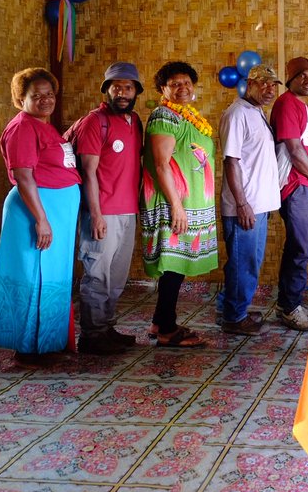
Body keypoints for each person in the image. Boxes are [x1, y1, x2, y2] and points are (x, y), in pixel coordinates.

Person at [0, 67, 81, 367]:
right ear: (20, 99)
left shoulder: (44, 126)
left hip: (55, 212)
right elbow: (24, 176)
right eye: (36, 96)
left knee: (50, 278)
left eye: (49, 94)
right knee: (32, 277)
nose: (45, 100)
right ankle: (26, 350)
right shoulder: (22, 128)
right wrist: (41, 219)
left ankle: (48, 343)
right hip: (35, 211)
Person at [66, 62, 145, 356]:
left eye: (128, 87)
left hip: (127, 211)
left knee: (117, 275)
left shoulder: (134, 121)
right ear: (106, 90)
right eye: (116, 87)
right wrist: (96, 215)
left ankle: (106, 327)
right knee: (97, 274)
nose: (122, 92)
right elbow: (89, 173)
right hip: (101, 212)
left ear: (136, 91)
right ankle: (92, 335)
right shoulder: (94, 122)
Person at [141, 61, 218, 348]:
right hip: (173, 202)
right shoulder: (164, 116)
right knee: (173, 264)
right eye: (174, 84)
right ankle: (166, 331)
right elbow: (161, 165)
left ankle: (161, 321)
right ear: (163, 89)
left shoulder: (187, 116)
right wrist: (176, 205)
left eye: (187, 83)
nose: (182, 88)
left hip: (188, 202)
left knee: (178, 262)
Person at [217, 64, 282, 335]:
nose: (269, 89)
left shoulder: (257, 113)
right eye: (263, 83)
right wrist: (242, 204)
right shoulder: (236, 114)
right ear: (249, 84)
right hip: (244, 207)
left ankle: (235, 309)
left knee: (247, 262)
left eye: (273, 85)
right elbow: (231, 160)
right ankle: (234, 317)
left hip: (258, 206)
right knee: (243, 262)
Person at [270, 56, 308, 330]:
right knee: (300, 248)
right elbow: (295, 151)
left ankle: (289, 302)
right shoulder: (286, 104)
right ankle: (289, 307)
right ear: (290, 78)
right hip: (296, 186)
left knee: (300, 247)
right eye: (302, 75)